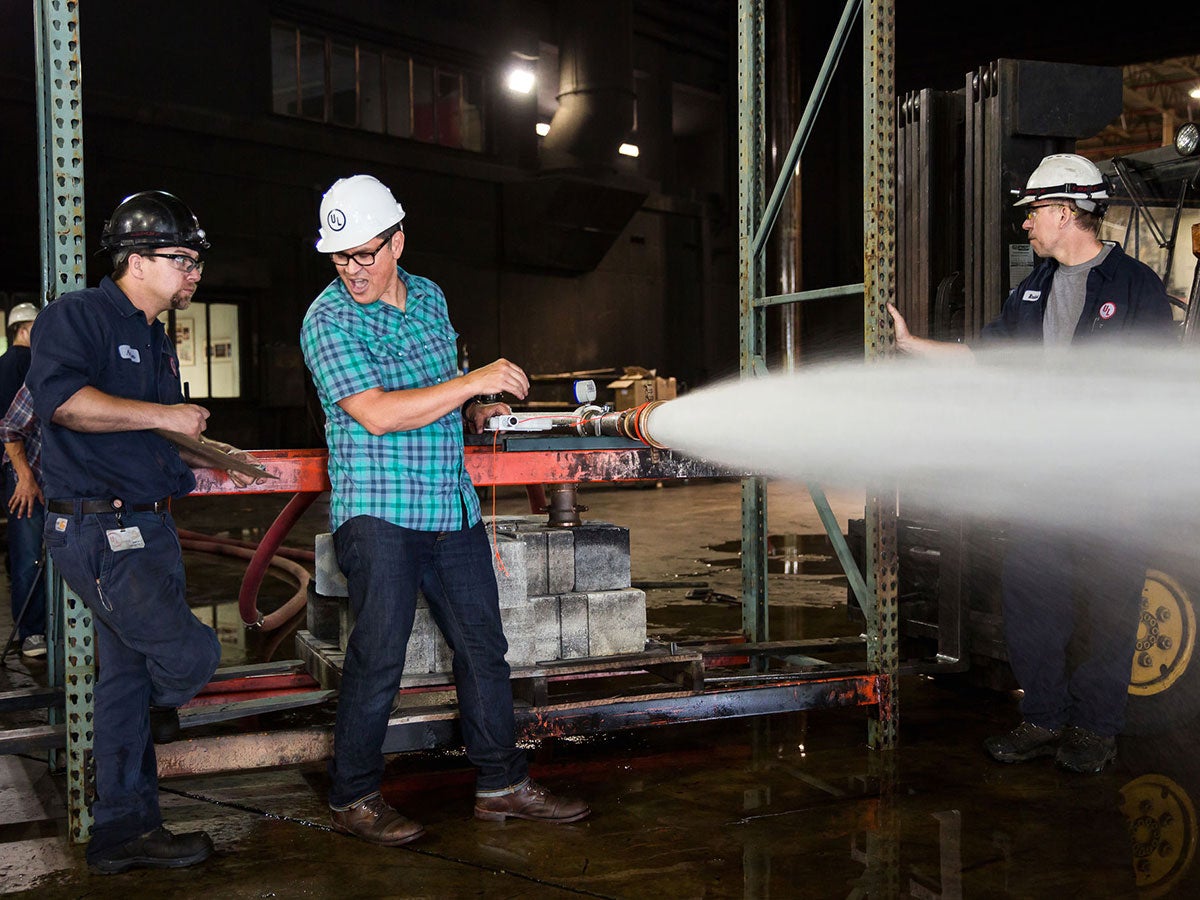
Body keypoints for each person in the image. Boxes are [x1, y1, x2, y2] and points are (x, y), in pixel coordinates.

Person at [300, 174, 589, 846]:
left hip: (450, 509)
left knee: (484, 648)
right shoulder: (328, 319)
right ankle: (355, 798)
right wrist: (475, 379)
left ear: (397, 241)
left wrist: (478, 406)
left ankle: (503, 785)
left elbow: (441, 394)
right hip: (379, 513)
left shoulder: (430, 297)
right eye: (340, 257)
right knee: (378, 657)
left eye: (364, 253)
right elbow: (373, 413)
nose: (352, 270)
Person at [888, 153, 1174, 774]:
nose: (1027, 225)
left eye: (1034, 211)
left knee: (1112, 607)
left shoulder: (1135, 287)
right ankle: (1043, 719)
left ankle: (1096, 731)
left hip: (1113, 484)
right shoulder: (1030, 290)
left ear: (1067, 211)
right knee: (1033, 602)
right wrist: (913, 346)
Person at [26, 190, 257, 874]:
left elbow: (142, 432)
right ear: (135, 259)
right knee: (190, 658)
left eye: (195, 260)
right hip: (104, 530)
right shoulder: (80, 317)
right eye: (181, 259)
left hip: (146, 524)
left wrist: (215, 458)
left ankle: (124, 832)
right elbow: (64, 405)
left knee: (125, 679)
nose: (194, 273)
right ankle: (147, 732)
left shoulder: (155, 337)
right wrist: (165, 418)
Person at [0, 303, 46, 657]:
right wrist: (22, 474)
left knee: (25, 552)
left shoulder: (4, 364)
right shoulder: (25, 363)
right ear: (25, 330)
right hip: (24, 469)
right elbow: (13, 424)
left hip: (18, 468)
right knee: (30, 551)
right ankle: (32, 630)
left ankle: (27, 628)